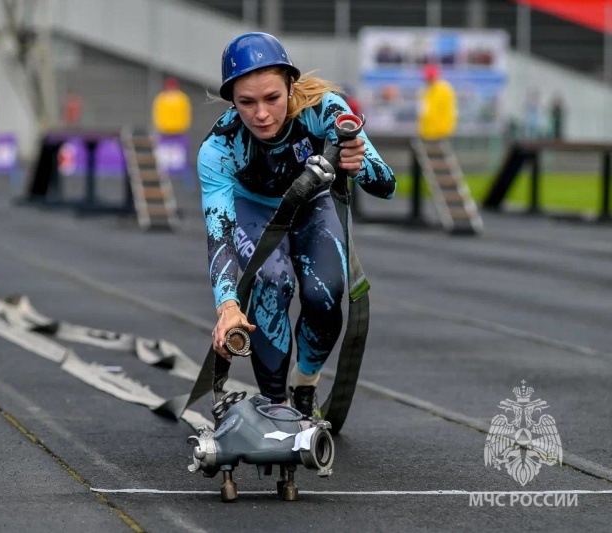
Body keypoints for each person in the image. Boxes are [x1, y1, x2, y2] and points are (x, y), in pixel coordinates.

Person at [198, 32, 396, 419]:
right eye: (246, 103)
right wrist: (227, 306)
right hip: (253, 212)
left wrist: (360, 164)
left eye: (272, 98)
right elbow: (219, 233)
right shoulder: (218, 148)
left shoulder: (325, 110)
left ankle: (305, 385)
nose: (260, 114)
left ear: (291, 85)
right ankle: (275, 407)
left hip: (311, 204)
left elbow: (386, 185)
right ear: (231, 102)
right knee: (273, 280)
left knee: (326, 293)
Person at [151, 77, 193, 187]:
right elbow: (157, 114)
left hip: (178, 131)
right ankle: (162, 178)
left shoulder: (181, 98)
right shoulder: (162, 98)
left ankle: (181, 180)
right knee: (163, 158)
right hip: (165, 131)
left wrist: (183, 126)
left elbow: (185, 114)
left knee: (179, 158)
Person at [417, 63, 457, 141]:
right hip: (432, 130)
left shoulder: (440, 90)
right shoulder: (430, 90)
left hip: (438, 130)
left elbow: (431, 111)